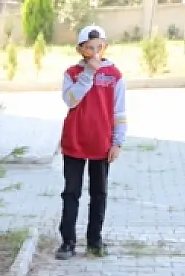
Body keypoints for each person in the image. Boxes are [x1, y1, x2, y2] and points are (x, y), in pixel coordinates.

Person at [56, 25, 126, 260]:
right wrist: (87, 74)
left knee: (99, 193)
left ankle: (95, 241)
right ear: (81, 49)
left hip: (101, 143)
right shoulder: (72, 73)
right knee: (71, 193)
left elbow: (120, 111)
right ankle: (67, 242)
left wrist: (118, 142)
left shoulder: (114, 75)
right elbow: (70, 100)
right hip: (75, 141)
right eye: (89, 48)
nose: (95, 52)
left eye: (99, 47)